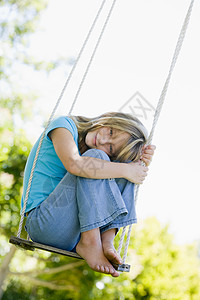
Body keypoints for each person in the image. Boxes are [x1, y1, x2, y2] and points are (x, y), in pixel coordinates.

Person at [22, 112, 155, 277]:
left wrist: (137, 164)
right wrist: (127, 169)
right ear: (109, 118)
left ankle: (106, 240)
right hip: (43, 223)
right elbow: (74, 163)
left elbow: (122, 168)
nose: (103, 140)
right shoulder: (63, 125)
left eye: (111, 148)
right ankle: (91, 242)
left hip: (71, 235)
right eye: (111, 132)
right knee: (99, 159)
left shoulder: (97, 150)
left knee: (125, 164)